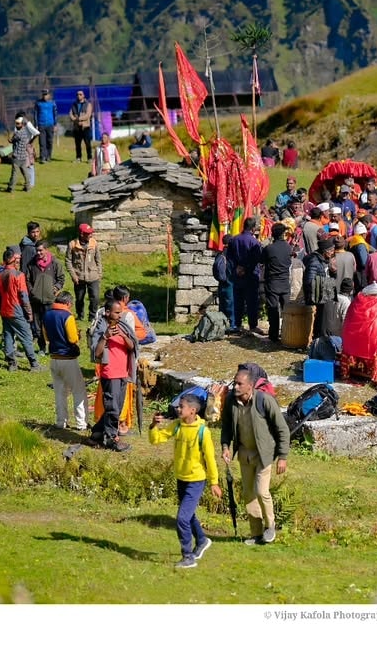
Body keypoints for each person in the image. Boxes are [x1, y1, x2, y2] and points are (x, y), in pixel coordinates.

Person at [220, 365, 290, 545]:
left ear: (250, 386)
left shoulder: (264, 401)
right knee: (248, 494)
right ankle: (256, 534)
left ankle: (270, 526)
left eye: (239, 384)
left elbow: (282, 429)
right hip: (244, 453)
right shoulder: (230, 401)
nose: (235, 387)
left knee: (261, 491)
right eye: (235, 383)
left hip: (264, 454)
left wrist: (282, 456)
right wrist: (225, 446)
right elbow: (227, 427)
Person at [152, 394, 222, 568]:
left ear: (193, 410)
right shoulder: (177, 426)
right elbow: (156, 439)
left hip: (196, 481)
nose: (178, 409)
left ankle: (188, 557)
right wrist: (154, 425)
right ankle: (202, 540)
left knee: (182, 518)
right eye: (178, 406)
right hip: (181, 478)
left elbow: (210, 459)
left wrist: (214, 482)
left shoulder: (202, 432)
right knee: (188, 516)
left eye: (181, 406)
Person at [88, 298, 136, 452]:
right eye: (116, 312)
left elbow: (132, 346)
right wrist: (105, 337)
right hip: (110, 374)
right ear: (107, 313)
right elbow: (97, 352)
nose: (120, 315)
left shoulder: (123, 327)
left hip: (123, 373)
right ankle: (111, 438)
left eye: (120, 312)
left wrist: (123, 336)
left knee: (116, 406)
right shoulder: (101, 329)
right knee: (113, 407)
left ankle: (96, 433)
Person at [0, 246, 43, 372]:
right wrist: (29, 313)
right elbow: (23, 295)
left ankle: (12, 364)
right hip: (16, 310)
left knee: (8, 336)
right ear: (12, 259)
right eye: (16, 260)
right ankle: (34, 364)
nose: (18, 262)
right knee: (26, 337)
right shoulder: (18, 275)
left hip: (4, 311)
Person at [44, 291, 87, 431]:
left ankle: (60, 421)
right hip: (68, 359)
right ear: (68, 303)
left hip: (54, 358)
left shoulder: (47, 315)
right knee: (78, 391)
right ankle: (81, 423)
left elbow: (46, 337)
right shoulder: (67, 316)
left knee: (59, 392)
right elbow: (72, 339)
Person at [26, 239, 66, 355]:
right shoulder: (31, 264)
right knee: (37, 326)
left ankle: (53, 347)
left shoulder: (55, 263)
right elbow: (27, 280)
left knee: (50, 325)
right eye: (37, 251)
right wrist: (32, 291)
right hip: (36, 300)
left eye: (40, 250)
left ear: (46, 250)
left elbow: (61, 278)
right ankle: (42, 347)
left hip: (50, 300)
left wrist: (56, 288)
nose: (38, 253)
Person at [226, 217, 264, 335]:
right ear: (253, 229)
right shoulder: (254, 242)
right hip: (251, 275)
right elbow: (256, 259)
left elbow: (229, 257)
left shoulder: (234, 240)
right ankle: (252, 326)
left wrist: (237, 267)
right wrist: (246, 268)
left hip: (238, 275)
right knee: (252, 301)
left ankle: (237, 324)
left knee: (238, 300)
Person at [262, 223, 293, 344]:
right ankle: (287, 333)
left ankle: (273, 335)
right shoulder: (288, 247)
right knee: (286, 309)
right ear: (283, 234)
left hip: (273, 282)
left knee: (273, 309)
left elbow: (261, 260)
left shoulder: (269, 248)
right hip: (285, 281)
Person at [304, 238, 338, 342]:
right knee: (320, 317)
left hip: (327, 290)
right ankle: (317, 339)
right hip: (320, 292)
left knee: (326, 317)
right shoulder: (314, 261)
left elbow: (329, 275)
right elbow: (309, 280)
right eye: (331, 251)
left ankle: (323, 338)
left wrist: (334, 271)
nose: (332, 253)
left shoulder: (325, 260)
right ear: (324, 251)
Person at [67, 224, 103, 322]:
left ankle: (92, 316)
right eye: (88, 233)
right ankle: (80, 315)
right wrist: (73, 275)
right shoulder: (72, 244)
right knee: (79, 299)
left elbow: (98, 259)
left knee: (95, 298)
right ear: (81, 234)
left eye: (91, 233)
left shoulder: (94, 243)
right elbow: (68, 261)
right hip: (79, 278)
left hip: (93, 276)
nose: (90, 235)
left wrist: (99, 273)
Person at [6, 114, 37, 192]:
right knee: (25, 173)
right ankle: (28, 187)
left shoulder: (18, 133)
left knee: (14, 174)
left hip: (16, 157)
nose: (16, 125)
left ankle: (11, 188)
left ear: (22, 124)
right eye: (16, 123)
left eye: (18, 123)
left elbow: (11, 141)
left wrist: (9, 135)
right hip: (23, 156)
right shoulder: (25, 132)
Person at [69, 90, 93, 162]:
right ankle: (78, 158)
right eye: (77, 94)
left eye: (80, 94)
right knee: (77, 144)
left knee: (88, 143)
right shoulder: (74, 104)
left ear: (83, 95)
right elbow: (70, 114)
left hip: (85, 127)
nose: (78, 96)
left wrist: (79, 119)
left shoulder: (88, 104)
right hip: (77, 128)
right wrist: (75, 120)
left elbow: (88, 115)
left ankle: (89, 158)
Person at [34, 89, 57, 163]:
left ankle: (48, 156)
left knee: (49, 141)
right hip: (41, 124)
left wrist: (55, 124)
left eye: (46, 94)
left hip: (50, 125)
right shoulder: (38, 103)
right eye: (43, 94)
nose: (44, 96)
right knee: (42, 142)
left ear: (49, 95)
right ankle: (42, 157)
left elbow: (55, 114)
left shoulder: (52, 103)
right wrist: (36, 125)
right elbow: (35, 114)